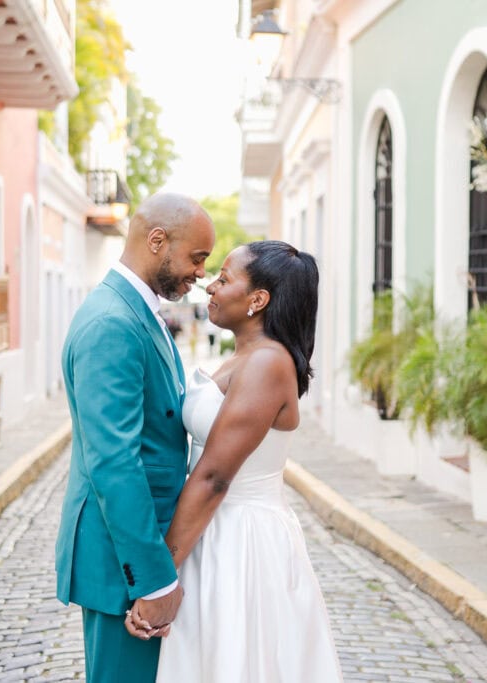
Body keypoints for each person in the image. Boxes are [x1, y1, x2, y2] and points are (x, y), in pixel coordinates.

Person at [126, 241, 343, 682]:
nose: (210, 285)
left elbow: (213, 477)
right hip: (209, 531)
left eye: (224, 279)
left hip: (242, 541)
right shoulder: (245, 356)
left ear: (258, 300)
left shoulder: (268, 363)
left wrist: (158, 578)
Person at [55, 193, 215, 683]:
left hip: (140, 546)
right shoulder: (112, 324)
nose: (200, 274)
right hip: (122, 560)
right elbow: (115, 463)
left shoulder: (138, 312)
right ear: (157, 241)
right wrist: (153, 578)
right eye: (197, 258)